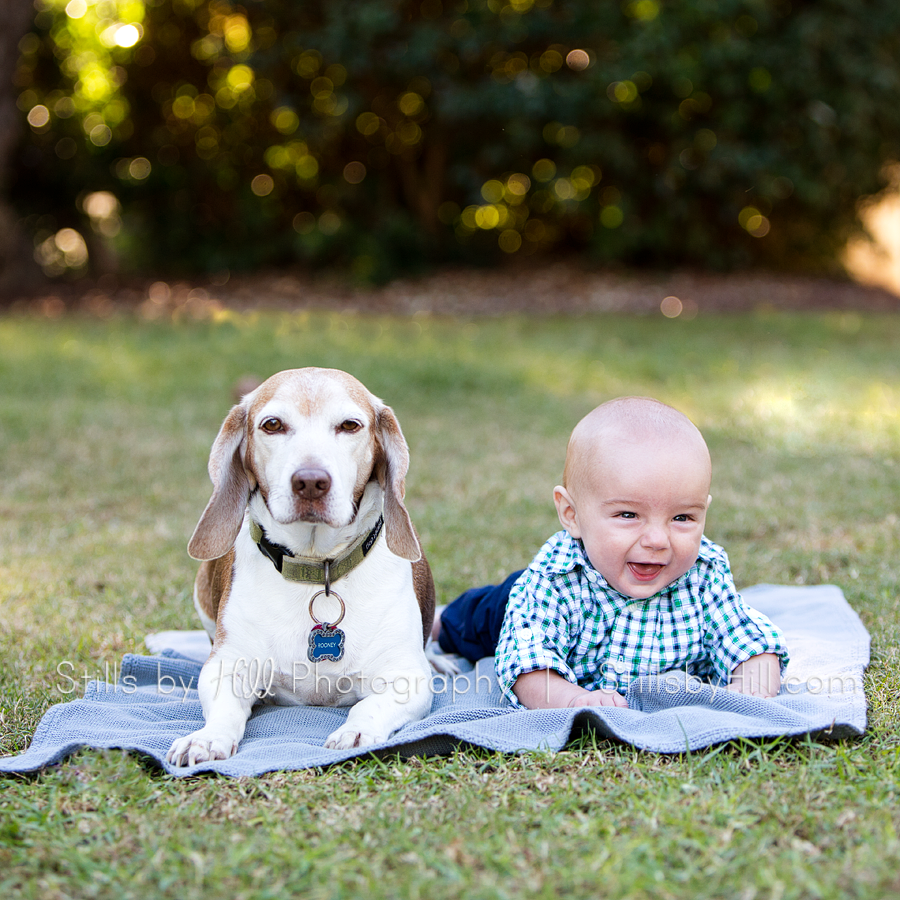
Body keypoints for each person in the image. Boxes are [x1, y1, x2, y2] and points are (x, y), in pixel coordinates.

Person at [434, 396, 788, 709]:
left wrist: (751, 689)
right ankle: (434, 621)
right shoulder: (552, 583)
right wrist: (573, 699)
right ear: (571, 515)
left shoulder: (703, 576)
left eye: (682, 517)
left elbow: (749, 640)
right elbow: (528, 666)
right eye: (628, 515)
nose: (657, 539)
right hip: (505, 610)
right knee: (468, 620)